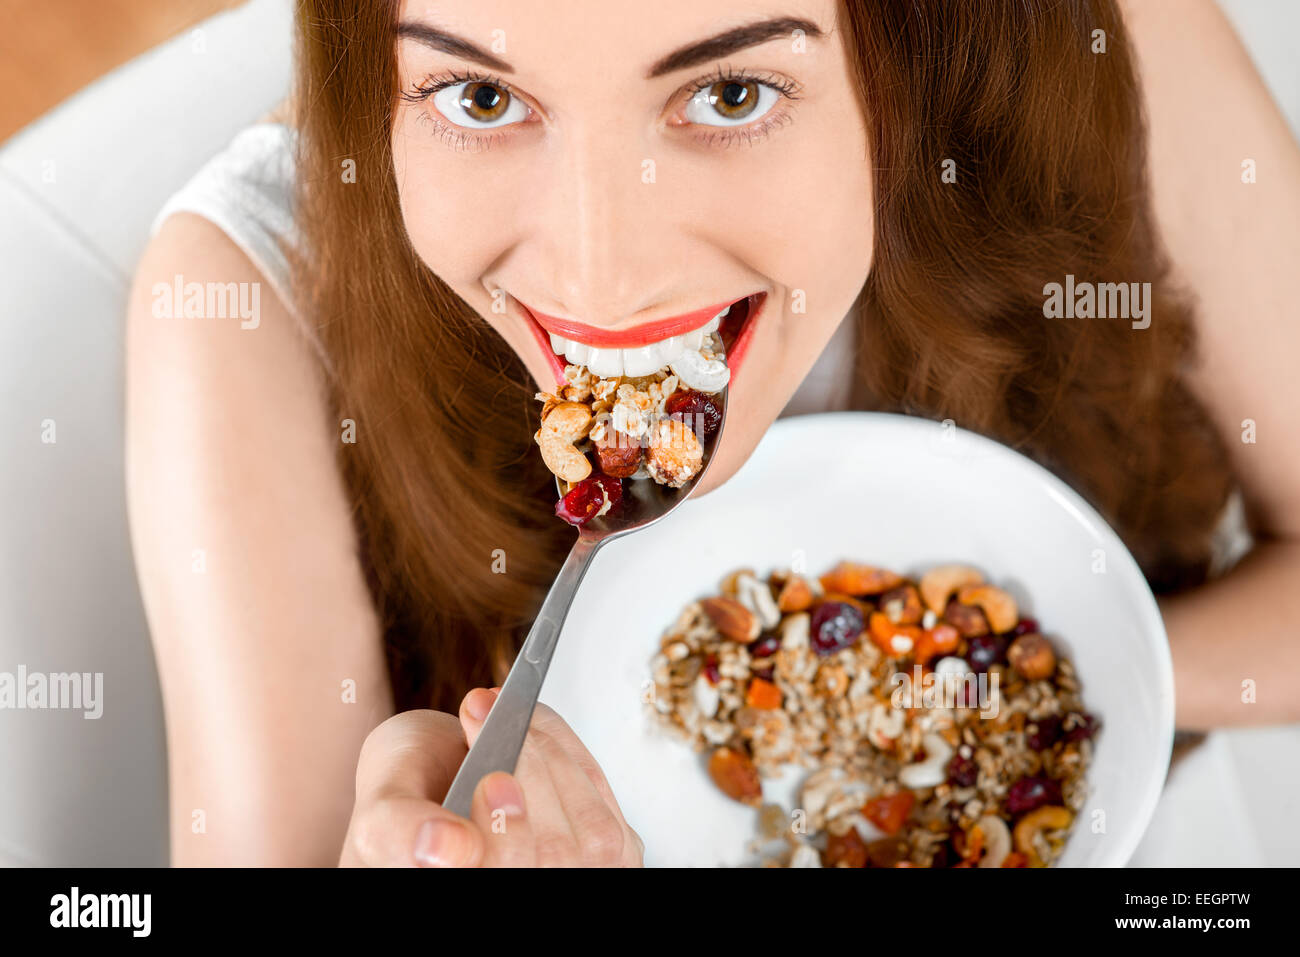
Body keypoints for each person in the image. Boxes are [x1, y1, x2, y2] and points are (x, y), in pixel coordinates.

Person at [125, 0, 1300, 866]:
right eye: (481, 98)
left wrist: (1031, 692)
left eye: (730, 93)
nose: (606, 276)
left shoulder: (1105, 45)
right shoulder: (242, 300)